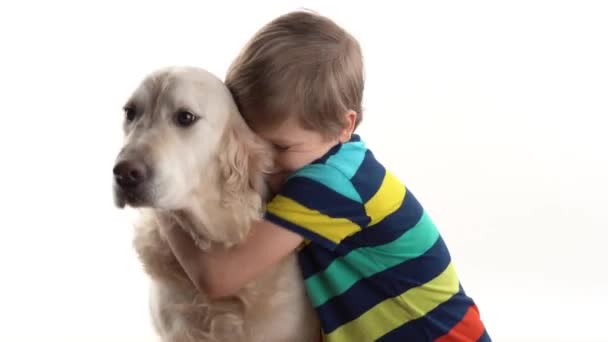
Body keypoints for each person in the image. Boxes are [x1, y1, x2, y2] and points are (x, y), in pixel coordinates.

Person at [163, 10, 491, 341]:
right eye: (252, 141)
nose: (262, 162)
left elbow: (217, 277)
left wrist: (162, 198)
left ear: (344, 126)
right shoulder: (340, 165)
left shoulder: (329, 186)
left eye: (281, 147)